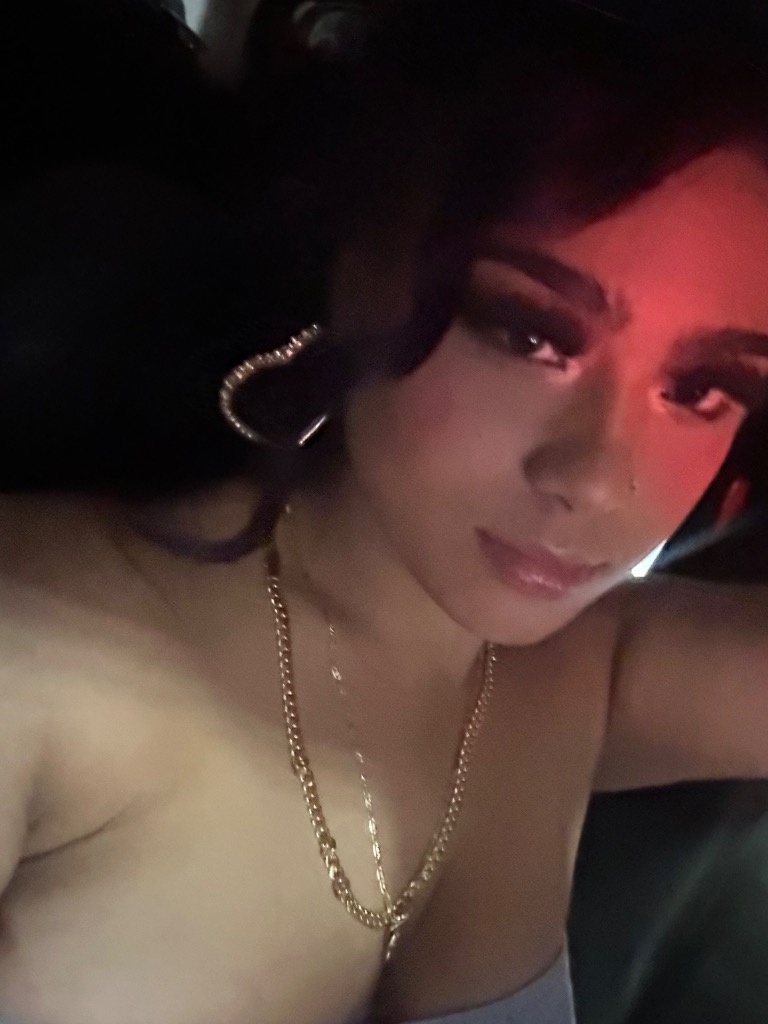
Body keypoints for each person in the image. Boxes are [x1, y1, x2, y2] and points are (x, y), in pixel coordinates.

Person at [4, 1, 768, 1023]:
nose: (597, 481)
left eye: (705, 388)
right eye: (528, 334)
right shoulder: (37, 657)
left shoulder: (577, 671)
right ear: (354, 260)